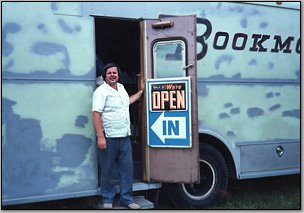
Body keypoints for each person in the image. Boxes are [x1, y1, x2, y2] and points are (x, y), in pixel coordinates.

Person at [92, 63, 144, 209]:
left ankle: (127, 199)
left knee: (127, 170)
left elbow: (127, 102)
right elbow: (96, 114)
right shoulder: (101, 91)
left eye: (115, 72)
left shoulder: (121, 88)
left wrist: (140, 93)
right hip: (109, 137)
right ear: (105, 76)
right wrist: (100, 137)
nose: (113, 75)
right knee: (107, 170)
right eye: (109, 73)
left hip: (124, 137)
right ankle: (107, 199)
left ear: (118, 75)